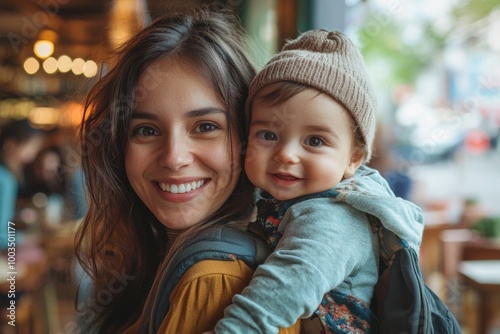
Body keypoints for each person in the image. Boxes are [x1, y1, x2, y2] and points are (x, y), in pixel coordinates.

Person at [74, 6, 300, 334]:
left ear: (248, 136)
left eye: (205, 126)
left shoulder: (218, 281)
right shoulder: (159, 255)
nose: (174, 157)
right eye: (146, 130)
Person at [212, 30, 425, 333]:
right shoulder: (288, 199)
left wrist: (237, 328)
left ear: (354, 157)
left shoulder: (334, 216)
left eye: (314, 140)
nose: (286, 154)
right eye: (268, 135)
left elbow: (292, 281)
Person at [0, 119, 44, 249]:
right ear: (10, 145)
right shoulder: (6, 181)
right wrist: (29, 239)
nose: (31, 157)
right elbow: (1, 236)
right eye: (28, 149)